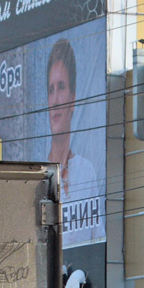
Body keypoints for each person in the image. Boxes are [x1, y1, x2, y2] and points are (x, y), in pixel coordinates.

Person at [46, 39, 99, 202]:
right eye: (51, 90)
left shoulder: (86, 171)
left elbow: (98, 228)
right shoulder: (37, 175)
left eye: (61, 87)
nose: (55, 100)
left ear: (73, 99)